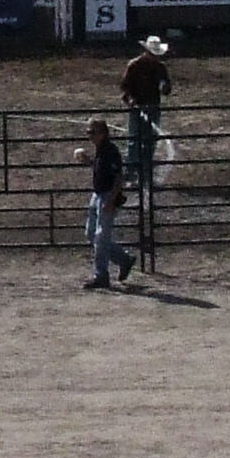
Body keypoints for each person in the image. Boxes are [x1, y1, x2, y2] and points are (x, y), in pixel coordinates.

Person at [121, 34, 172, 192]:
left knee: (150, 142)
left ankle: (145, 175)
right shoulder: (134, 66)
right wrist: (131, 101)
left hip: (153, 106)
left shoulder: (160, 67)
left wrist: (164, 87)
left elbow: (167, 88)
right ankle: (131, 175)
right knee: (134, 141)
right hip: (138, 108)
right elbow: (125, 88)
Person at [80, 117, 127, 288]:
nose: (89, 136)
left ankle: (101, 275)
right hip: (98, 194)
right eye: (88, 132)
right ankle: (124, 259)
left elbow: (118, 177)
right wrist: (88, 161)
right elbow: (102, 170)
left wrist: (111, 200)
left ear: (102, 133)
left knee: (101, 236)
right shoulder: (101, 150)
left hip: (106, 196)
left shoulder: (110, 151)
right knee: (92, 233)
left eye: (92, 132)